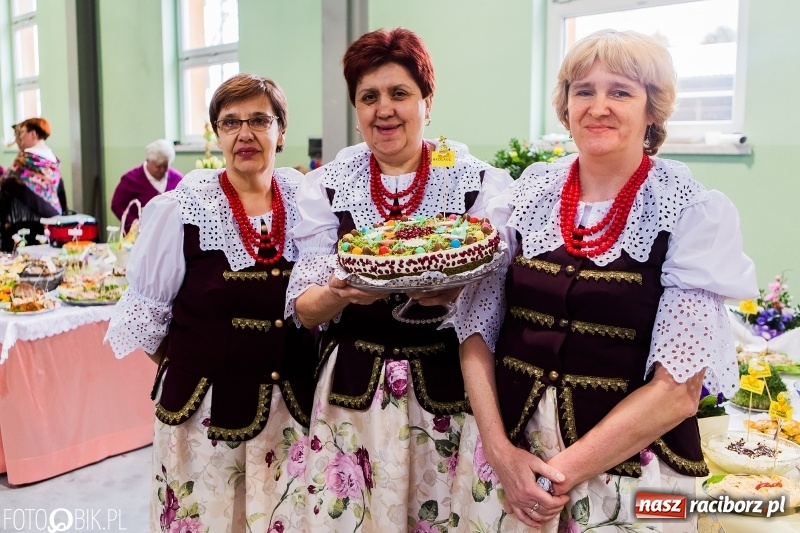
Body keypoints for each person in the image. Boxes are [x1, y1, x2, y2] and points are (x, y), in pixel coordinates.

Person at [450, 30, 758, 532]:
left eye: (620, 91)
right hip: (508, 460)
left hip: (629, 475)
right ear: (566, 106)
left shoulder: (691, 212)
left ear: (652, 109)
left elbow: (677, 391)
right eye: (583, 91)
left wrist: (556, 474)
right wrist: (500, 452)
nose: (598, 106)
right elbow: (476, 331)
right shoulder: (526, 194)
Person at [286, 27, 513, 531]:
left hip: (449, 392)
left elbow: (497, 282)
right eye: (369, 97)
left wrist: (455, 288)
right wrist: (338, 293)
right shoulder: (327, 186)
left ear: (427, 102)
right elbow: (303, 309)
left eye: (399, 94)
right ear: (356, 109)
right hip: (353, 397)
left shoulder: (474, 182)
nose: (383, 109)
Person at [105, 73, 317, 532]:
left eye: (260, 120)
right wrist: (199, 367)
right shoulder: (184, 208)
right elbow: (146, 322)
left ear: (281, 130)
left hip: (292, 415)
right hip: (203, 421)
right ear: (217, 134)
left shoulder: (310, 204)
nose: (245, 133)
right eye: (230, 122)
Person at [0, 117, 67, 251]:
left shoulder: (25, 161)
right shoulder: (52, 161)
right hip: (48, 225)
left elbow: (7, 183)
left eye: (22, 132)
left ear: (33, 134)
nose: (20, 137)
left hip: (20, 225)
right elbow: (59, 194)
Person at [110, 139, 183, 233]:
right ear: (148, 161)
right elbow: (117, 204)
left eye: (165, 166)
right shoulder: (131, 179)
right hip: (140, 234)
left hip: (170, 233)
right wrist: (133, 222)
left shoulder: (177, 179)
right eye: (158, 166)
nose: (162, 170)